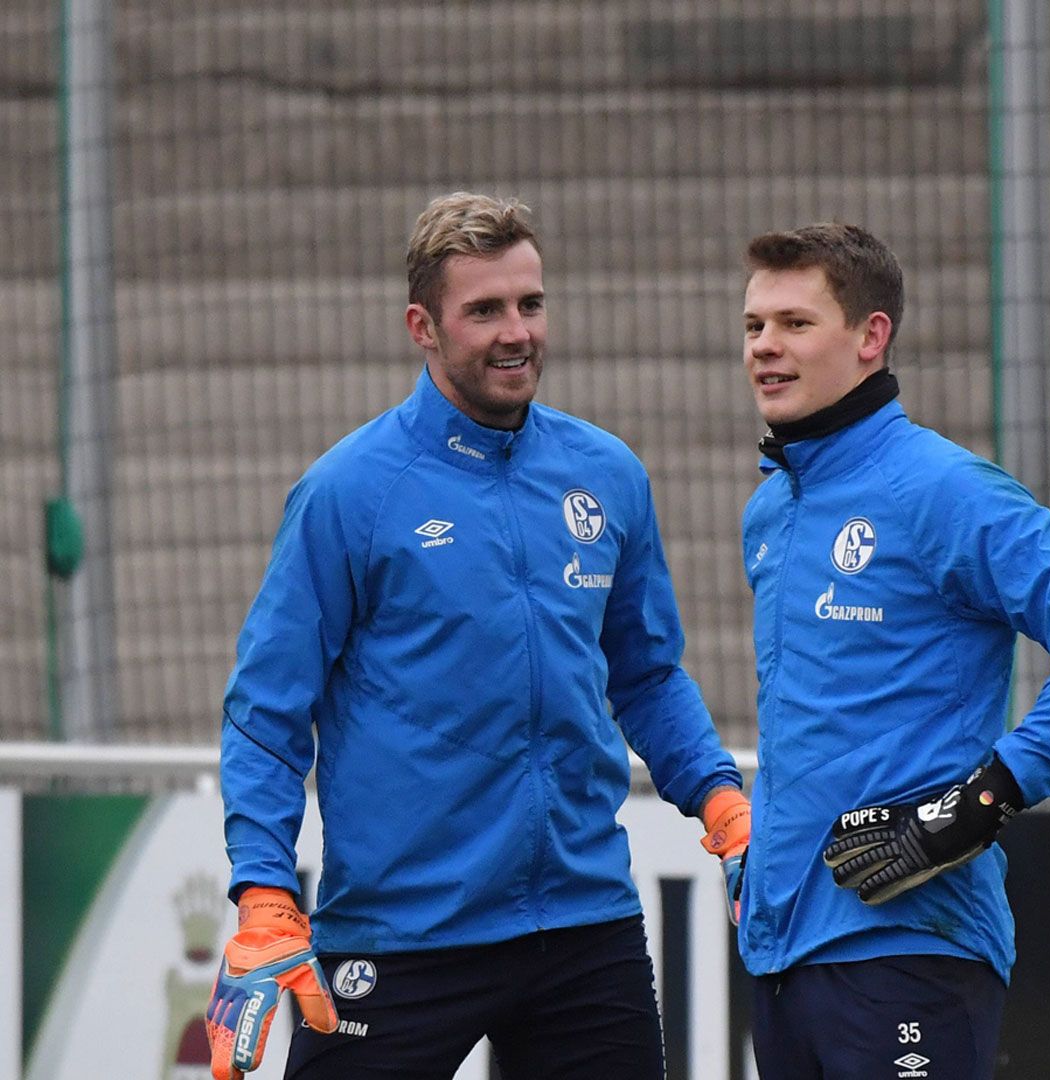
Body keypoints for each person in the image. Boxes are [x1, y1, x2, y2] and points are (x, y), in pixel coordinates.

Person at [206, 192, 750, 1080]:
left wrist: (721, 803)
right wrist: (265, 894)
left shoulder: (606, 474)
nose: (516, 332)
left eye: (530, 304)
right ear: (422, 325)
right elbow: (267, 712)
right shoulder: (348, 493)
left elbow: (647, 677)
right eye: (485, 310)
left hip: (582, 926)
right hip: (401, 932)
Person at [733, 222, 1050, 1078]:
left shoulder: (944, 490)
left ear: (870, 337)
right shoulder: (772, 509)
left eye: (794, 324)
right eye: (754, 327)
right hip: (781, 951)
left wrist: (985, 796)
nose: (765, 349)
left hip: (909, 947)